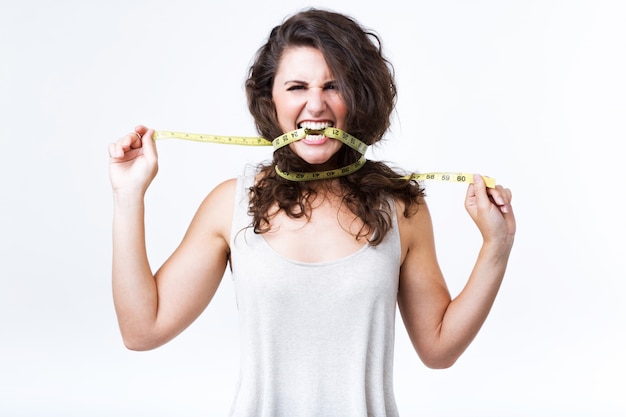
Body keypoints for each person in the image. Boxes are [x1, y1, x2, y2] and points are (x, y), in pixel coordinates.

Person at [108, 8, 515, 417]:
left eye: (334, 86)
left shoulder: (400, 208)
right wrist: (129, 195)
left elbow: (439, 350)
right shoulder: (230, 205)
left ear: (359, 97)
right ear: (272, 98)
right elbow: (142, 331)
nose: (315, 106)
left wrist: (496, 246)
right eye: (297, 87)